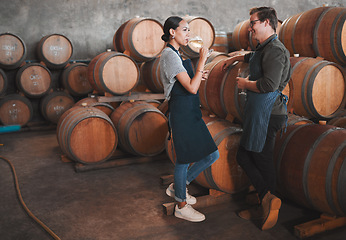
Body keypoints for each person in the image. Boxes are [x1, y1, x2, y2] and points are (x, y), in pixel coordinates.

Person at [221, 7, 291, 230]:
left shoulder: (277, 50)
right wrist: (237, 57)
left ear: (267, 23)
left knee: (258, 157)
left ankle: (270, 202)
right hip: (260, 112)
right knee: (248, 155)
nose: (250, 26)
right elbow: (255, 57)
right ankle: (266, 197)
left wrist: (245, 84)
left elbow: (269, 84)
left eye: (253, 22)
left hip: (269, 114)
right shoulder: (265, 47)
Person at [159, 16, 219, 222]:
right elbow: (191, 88)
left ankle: (178, 186)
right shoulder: (169, 55)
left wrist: (198, 74)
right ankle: (181, 205)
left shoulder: (177, 53)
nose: (189, 34)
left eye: (189, 30)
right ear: (172, 32)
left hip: (190, 110)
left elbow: (190, 83)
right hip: (182, 112)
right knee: (183, 159)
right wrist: (202, 61)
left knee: (212, 154)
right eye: (185, 30)